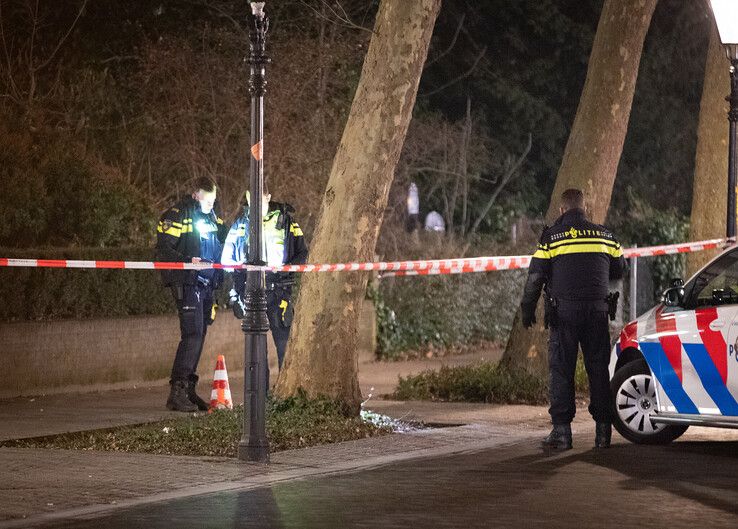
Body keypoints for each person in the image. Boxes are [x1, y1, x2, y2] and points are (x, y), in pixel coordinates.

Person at [520, 188, 624, 450]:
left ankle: (562, 433)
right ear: (585, 208)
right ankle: (603, 433)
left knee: (561, 371)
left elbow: (535, 278)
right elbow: (618, 270)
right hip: (598, 313)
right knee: (599, 370)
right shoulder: (605, 236)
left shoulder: (552, 238)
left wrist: (528, 308)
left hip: (564, 314)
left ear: (562, 210)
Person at [155, 177, 229, 412]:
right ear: (196, 195)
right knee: (192, 335)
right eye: (207, 201)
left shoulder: (213, 218)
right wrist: (188, 262)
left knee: (200, 335)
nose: (211, 205)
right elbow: (164, 249)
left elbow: (223, 243)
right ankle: (176, 391)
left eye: (214, 201)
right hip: (188, 283)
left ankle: (188, 389)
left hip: (206, 286)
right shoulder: (178, 214)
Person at [222, 189, 308, 371]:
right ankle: (263, 396)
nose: (256, 205)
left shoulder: (286, 221)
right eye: (251, 200)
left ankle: (285, 394)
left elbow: (303, 253)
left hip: (279, 291)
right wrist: (234, 292)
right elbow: (226, 261)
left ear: (268, 197)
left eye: (259, 200)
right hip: (252, 292)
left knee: (284, 343)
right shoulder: (240, 225)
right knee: (257, 350)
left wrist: (286, 268)